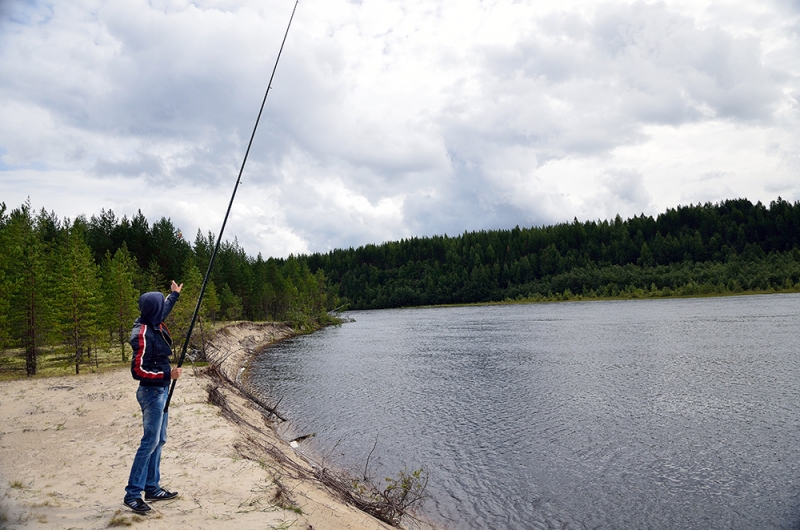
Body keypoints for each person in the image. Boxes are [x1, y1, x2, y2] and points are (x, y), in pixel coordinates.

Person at [123, 280, 184, 514]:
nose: (162, 309)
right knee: (149, 442)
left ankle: (152, 487)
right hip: (151, 393)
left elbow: (164, 308)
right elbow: (137, 371)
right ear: (153, 311)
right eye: (160, 305)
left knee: (159, 440)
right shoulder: (142, 334)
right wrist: (169, 373)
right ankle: (132, 494)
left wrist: (173, 295)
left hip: (161, 390)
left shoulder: (153, 318)